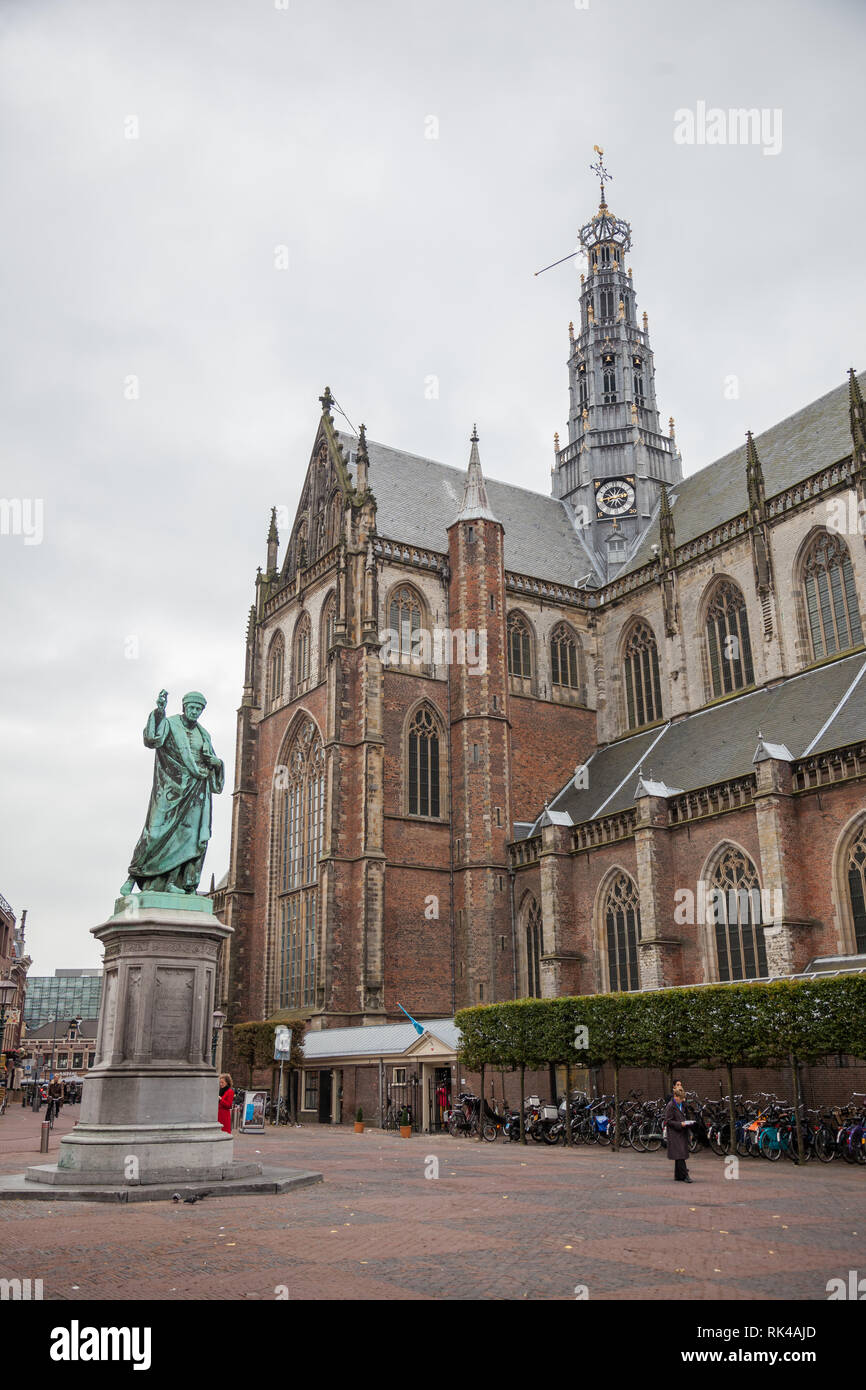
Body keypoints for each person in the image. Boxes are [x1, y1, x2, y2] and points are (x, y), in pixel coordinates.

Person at [664, 1080, 695, 1183]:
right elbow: (668, 1121)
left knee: (679, 1154)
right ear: (676, 1097)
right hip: (674, 1133)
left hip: (682, 1132)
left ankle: (678, 1175)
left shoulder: (682, 1104)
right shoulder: (670, 1106)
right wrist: (679, 1124)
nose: (681, 1100)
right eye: (680, 1098)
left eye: (682, 1099)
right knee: (681, 1154)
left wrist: (688, 1124)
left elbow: (686, 1116)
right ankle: (685, 1175)